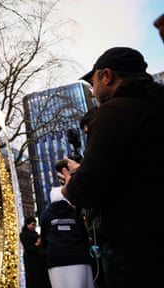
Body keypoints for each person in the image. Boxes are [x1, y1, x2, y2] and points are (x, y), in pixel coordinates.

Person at [61, 47, 164, 288]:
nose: (94, 90)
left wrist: (70, 186)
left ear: (107, 76)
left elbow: (88, 186)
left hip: (134, 249)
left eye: (93, 82)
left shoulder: (112, 113)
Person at [40, 187, 95, 288]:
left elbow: (43, 238)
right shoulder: (75, 213)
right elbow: (84, 235)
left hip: (56, 259)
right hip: (79, 256)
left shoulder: (45, 215)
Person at [19, 216, 51, 288]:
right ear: (27, 224)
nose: (34, 227)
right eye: (32, 225)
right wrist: (37, 244)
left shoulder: (35, 233)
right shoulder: (24, 234)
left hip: (40, 258)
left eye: (35, 225)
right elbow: (28, 248)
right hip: (31, 260)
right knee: (34, 279)